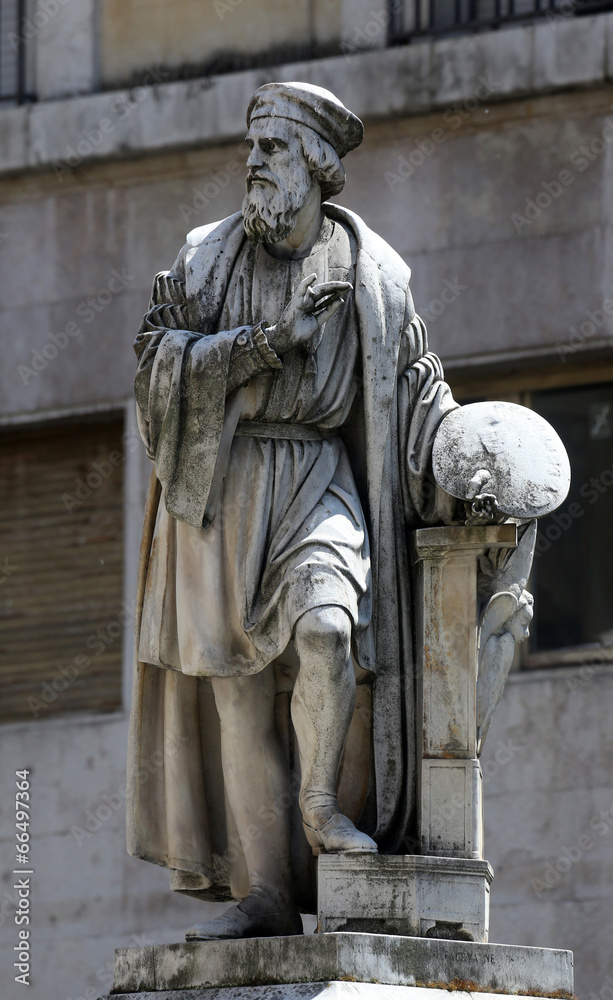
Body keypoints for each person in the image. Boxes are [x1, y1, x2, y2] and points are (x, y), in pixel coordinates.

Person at [127, 82, 461, 940]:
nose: (252, 165)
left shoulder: (374, 275)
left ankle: (318, 805)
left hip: (317, 473)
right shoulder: (204, 259)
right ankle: (267, 892)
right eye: (251, 149)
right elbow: (153, 365)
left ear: (316, 166)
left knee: (328, 632)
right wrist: (262, 347)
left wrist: (468, 464)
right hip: (220, 491)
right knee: (238, 695)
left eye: (271, 150)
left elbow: (417, 394)